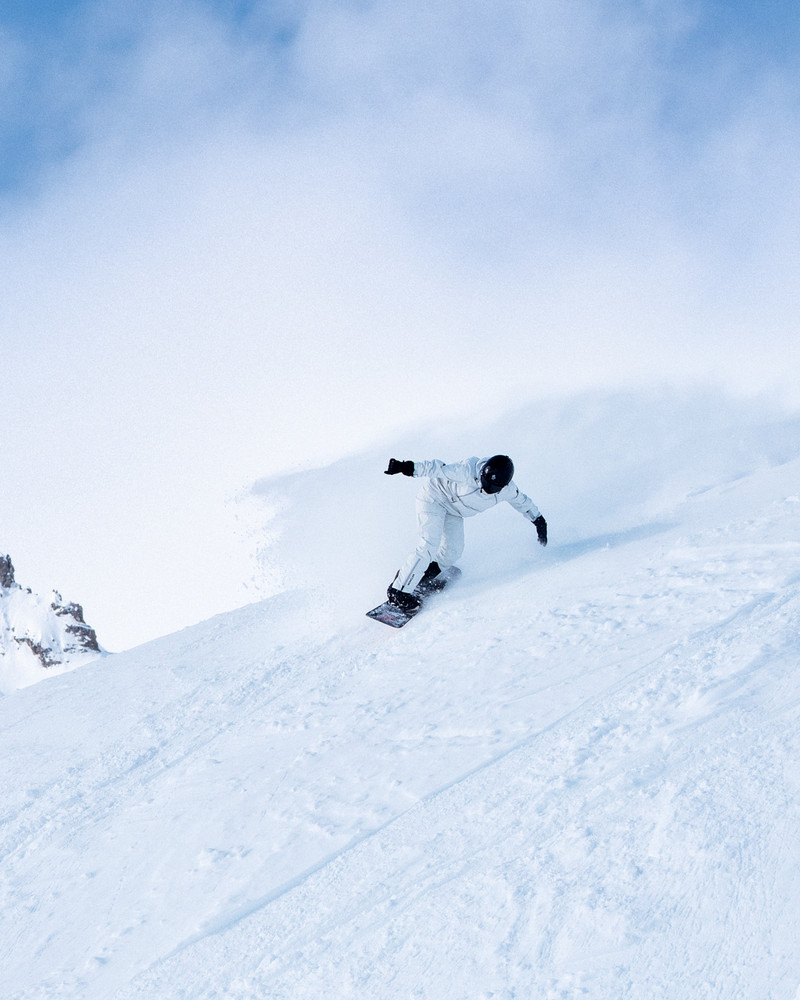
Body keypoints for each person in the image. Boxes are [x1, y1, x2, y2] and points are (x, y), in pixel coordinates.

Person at [384, 454, 547, 610]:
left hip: (454, 511)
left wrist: (538, 520)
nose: (487, 488)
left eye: (493, 487)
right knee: (429, 544)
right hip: (434, 498)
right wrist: (404, 467)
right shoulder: (467, 470)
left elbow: (522, 502)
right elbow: (435, 468)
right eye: (486, 482)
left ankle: (421, 578)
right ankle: (398, 592)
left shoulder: (508, 490)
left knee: (453, 552)